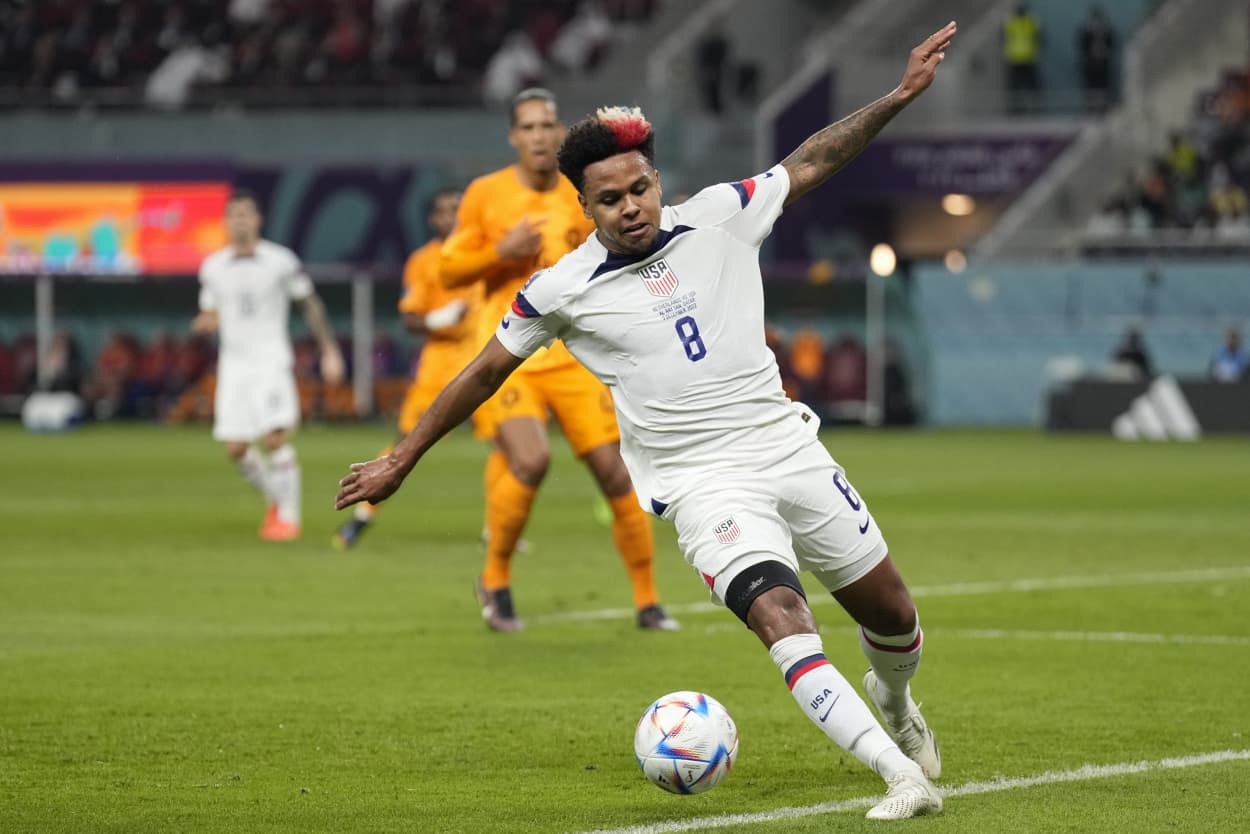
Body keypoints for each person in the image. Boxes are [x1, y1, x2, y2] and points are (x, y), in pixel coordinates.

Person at [336, 22, 958, 820]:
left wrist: (898, 96)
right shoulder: (563, 288)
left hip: (786, 447)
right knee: (782, 617)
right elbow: (485, 369)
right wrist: (402, 457)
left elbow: (812, 158)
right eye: (609, 199)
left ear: (656, 181)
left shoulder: (721, 215)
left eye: (639, 190)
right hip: (701, 488)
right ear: (584, 204)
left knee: (895, 618)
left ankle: (898, 704)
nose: (630, 208)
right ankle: (897, 775)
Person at [436, 88, 677, 633]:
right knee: (531, 459)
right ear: (514, 137)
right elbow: (447, 272)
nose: (540, 136)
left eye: (548, 125)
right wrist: (499, 252)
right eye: (528, 127)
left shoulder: (588, 190)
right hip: (510, 353)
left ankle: (648, 599)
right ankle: (495, 581)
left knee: (616, 473)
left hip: (574, 357)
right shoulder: (485, 195)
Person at [194, 189, 344, 541]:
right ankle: (276, 501)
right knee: (236, 448)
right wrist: (205, 323)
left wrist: (329, 350)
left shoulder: (280, 261)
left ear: (258, 219)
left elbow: (310, 303)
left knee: (274, 437)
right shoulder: (212, 267)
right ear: (226, 222)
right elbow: (210, 312)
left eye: (247, 214)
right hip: (233, 365)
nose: (240, 220)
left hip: (270, 360)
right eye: (234, 215)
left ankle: (288, 519)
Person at [335, 187, 475, 548]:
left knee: (516, 443)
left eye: (458, 209)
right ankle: (363, 515)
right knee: (405, 444)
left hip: (489, 359)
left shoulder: (484, 252)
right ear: (433, 219)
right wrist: (441, 317)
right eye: (445, 211)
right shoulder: (422, 262)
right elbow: (410, 320)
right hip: (440, 367)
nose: (453, 217)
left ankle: (503, 528)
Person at [1003, 3, 1041, 114]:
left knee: (1019, 87)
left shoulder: (1011, 22)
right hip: (1024, 58)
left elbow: (1003, 38)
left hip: (1019, 58)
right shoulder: (1031, 22)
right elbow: (1039, 38)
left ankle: (1020, 110)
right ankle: (1024, 110)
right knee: (1028, 86)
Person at [1076, 5, 1115, 112]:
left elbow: (1111, 46)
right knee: (1091, 90)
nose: (1096, 24)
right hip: (1090, 67)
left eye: (1098, 20)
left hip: (1103, 66)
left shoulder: (1106, 32)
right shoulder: (1085, 33)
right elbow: (1082, 48)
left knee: (1103, 88)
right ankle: (1092, 109)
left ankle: (1104, 109)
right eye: (1094, 20)